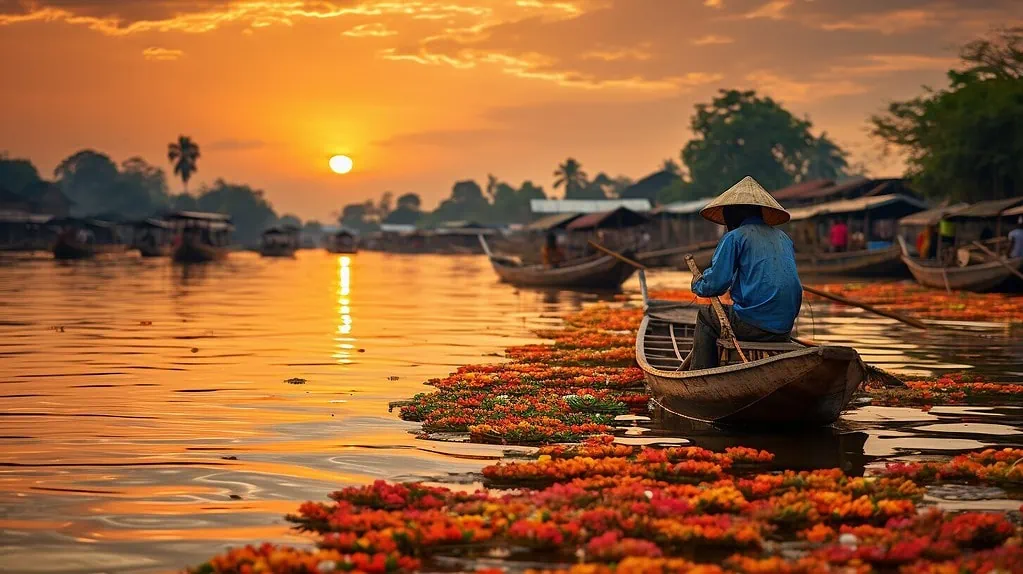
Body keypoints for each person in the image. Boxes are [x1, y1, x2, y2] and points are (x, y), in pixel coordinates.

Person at [689, 176, 802, 371]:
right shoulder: (783, 237)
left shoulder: (735, 237)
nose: (726, 222)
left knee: (705, 316)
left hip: (754, 324)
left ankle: (701, 373)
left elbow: (716, 284)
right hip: (784, 327)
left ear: (736, 213)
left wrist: (697, 283)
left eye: (727, 215)